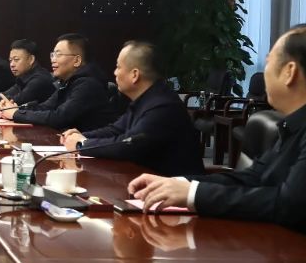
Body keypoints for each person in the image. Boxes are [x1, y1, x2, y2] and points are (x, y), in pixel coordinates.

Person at [129, 25, 306, 263]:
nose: (263, 72)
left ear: (290, 72)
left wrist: (193, 195)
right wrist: (179, 184)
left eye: (269, 62)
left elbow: (291, 205)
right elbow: (255, 177)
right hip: (300, 259)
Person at [60, 41, 203, 176]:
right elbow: (116, 130)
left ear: (135, 75)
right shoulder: (145, 99)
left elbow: (127, 144)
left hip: (174, 187)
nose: (115, 73)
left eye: (118, 67)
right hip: (146, 179)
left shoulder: (163, 106)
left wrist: (82, 144)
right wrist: (82, 135)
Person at [0, 33, 116, 131]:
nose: (53, 60)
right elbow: (45, 107)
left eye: (58, 55)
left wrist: (15, 114)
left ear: (77, 60)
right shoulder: (69, 81)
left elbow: (59, 117)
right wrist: (17, 110)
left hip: (89, 147)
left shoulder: (88, 84)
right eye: (53, 55)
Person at [0, 39, 54, 108]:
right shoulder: (24, 76)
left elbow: (17, 100)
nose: (11, 64)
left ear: (31, 59)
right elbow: (6, 94)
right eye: (10, 60)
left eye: (16, 60)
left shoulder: (40, 79)